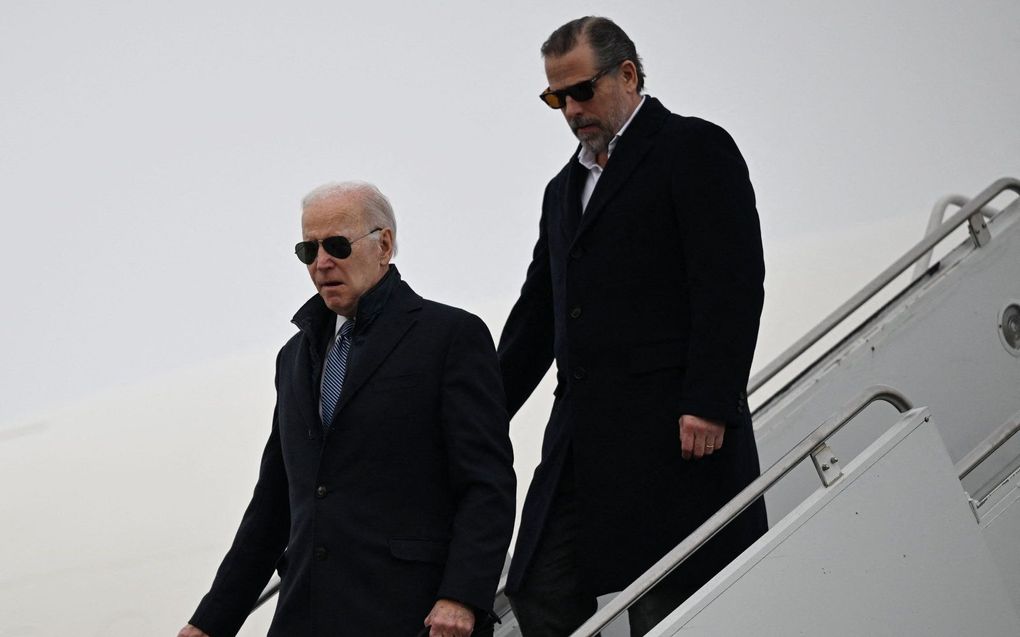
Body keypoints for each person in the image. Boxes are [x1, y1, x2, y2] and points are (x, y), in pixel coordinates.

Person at [498, 17, 768, 636]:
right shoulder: (561, 191)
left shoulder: (694, 148)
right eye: (555, 98)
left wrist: (709, 398)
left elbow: (731, 282)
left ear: (627, 74)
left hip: (675, 429)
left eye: (581, 91)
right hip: (581, 435)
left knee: (665, 603)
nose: (570, 109)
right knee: (536, 584)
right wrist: (476, 411)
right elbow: (537, 316)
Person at [178, 182, 516, 637]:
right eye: (308, 250)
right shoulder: (293, 358)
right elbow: (273, 506)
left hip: (411, 616)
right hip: (305, 615)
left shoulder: (450, 336)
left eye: (336, 245)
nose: (321, 263)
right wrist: (210, 622)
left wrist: (462, 595)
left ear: (385, 245)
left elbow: (486, 482)